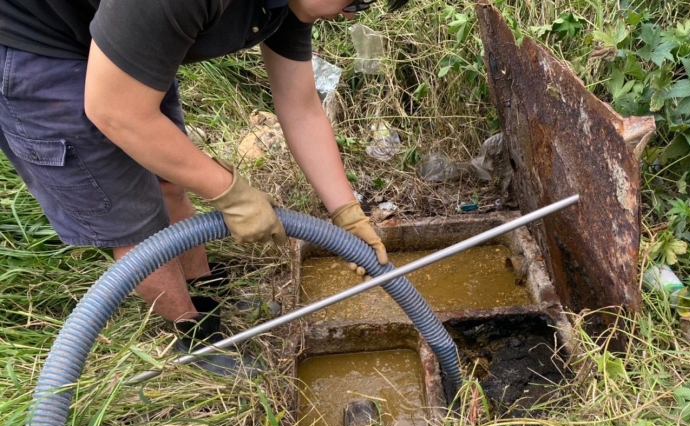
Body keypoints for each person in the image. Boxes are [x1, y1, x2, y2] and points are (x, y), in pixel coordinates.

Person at [0, 0, 396, 375]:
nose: (349, 15)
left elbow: (301, 106)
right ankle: (193, 334)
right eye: (356, 1)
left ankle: (205, 292)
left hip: (117, 37)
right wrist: (233, 194)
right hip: (38, 46)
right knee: (134, 221)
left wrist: (347, 213)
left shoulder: (290, 6)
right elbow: (116, 111)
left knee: (169, 176)